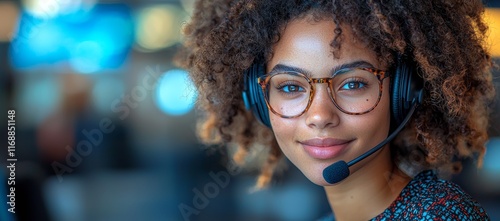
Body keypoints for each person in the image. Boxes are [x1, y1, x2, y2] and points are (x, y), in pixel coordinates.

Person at [176, 0, 496, 220]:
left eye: (353, 84)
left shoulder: (440, 215)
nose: (319, 116)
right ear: (258, 101)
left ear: (404, 92)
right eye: (290, 87)